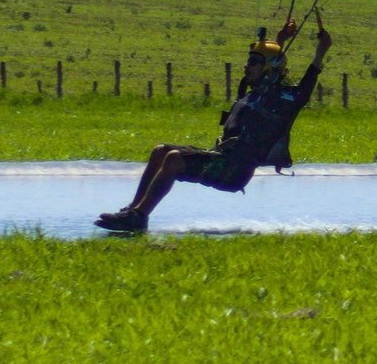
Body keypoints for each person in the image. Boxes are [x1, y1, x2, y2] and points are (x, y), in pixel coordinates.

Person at [95, 15, 332, 233]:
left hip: (235, 170)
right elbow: (273, 66)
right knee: (160, 152)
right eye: (248, 61)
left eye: (253, 63)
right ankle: (133, 211)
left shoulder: (283, 99)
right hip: (223, 157)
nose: (246, 66)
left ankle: (139, 217)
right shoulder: (255, 91)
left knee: (174, 159)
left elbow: (303, 86)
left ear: (268, 69)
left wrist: (320, 52)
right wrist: (280, 39)